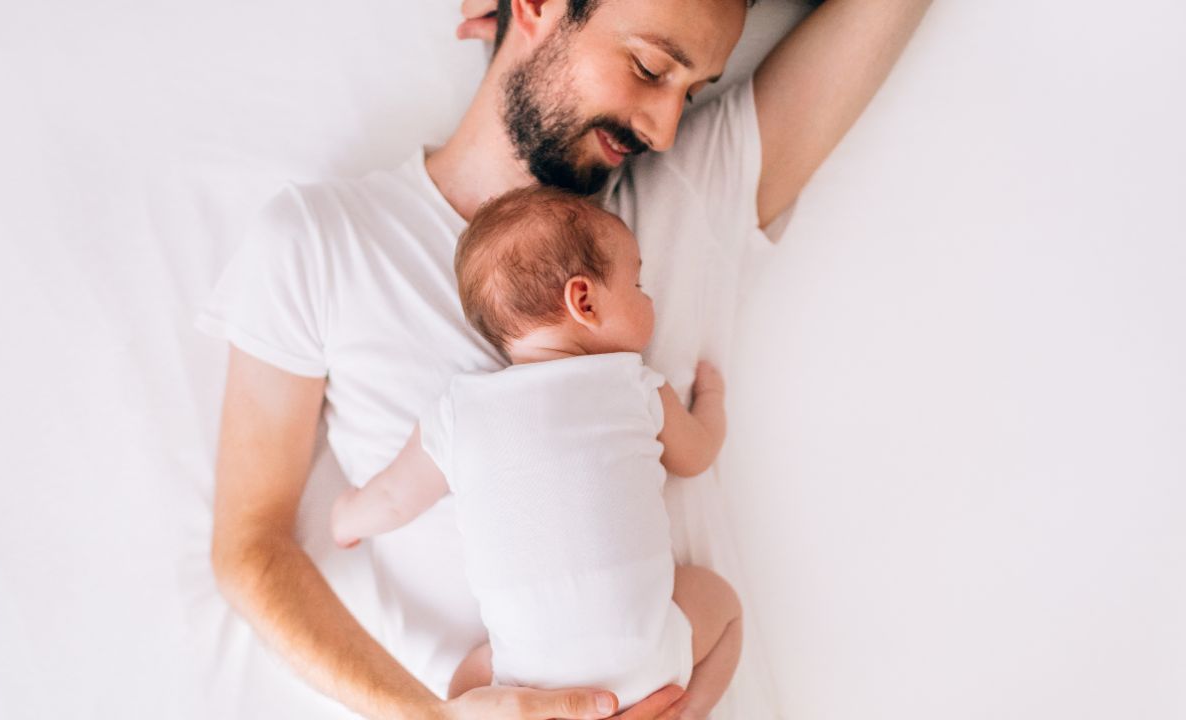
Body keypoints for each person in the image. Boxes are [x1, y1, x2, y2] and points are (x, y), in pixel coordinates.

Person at [200, 0, 932, 718]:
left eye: (692, 90)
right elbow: (251, 549)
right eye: (650, 67)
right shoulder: (322, 241)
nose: (667, 128)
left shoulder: (688, 191)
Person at [328, 186, 741, 717]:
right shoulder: (633, 385)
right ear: (584, 302)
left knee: (462, 688)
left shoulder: (460, 412)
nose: (649, 296)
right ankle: (687, 708)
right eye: (636, 283)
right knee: (724, 609)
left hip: (526, 688)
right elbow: (698, 454)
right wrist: (713, 399)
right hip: (651, 668)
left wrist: (345, 517)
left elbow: (391, 499)